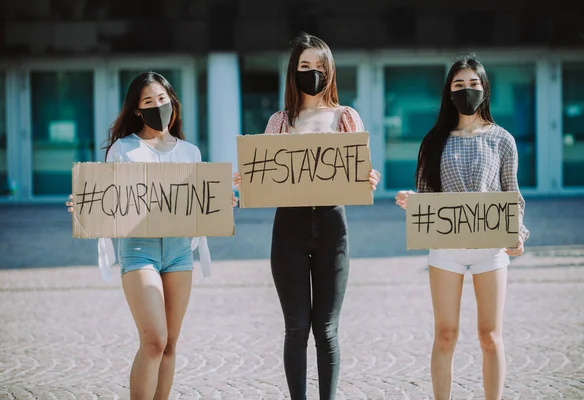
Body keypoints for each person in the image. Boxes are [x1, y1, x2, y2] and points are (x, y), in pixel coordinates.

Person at [66, 72, 237, 400]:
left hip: (179, 251)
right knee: (155, 340)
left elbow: (198, 205)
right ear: (137, 111)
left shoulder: (190, 152)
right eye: (148, 102)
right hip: (139, 248)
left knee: (171, 344)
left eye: (162, 99)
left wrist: (221, 202)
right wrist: (85, 204)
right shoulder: (124, 149)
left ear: (173, 102)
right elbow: (108, 200)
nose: (157, 106)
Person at [235, 32, 380, 400]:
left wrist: (369, 177)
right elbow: (264, 181)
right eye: (304, 66)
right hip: (289, 230)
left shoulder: (346, 117)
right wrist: (245, 181)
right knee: (296, 328)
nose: (312, 72)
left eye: (319, 66)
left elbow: (360, 174)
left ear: (330, 70)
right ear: (293, 71)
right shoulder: (279, 121)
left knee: (327, 329)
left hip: (333, 228)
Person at [395, 55, 529, 400]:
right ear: (448, 92)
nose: (466, 90)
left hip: (490, 250)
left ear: (485, 89)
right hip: (446, 251)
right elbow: (426, 195)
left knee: (490, 335)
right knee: (445, 334)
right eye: (458, 85)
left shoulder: (502, 139)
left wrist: (518, 233)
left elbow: (511, 194)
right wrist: (412, 202)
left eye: (473, 84)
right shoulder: (433, 140)